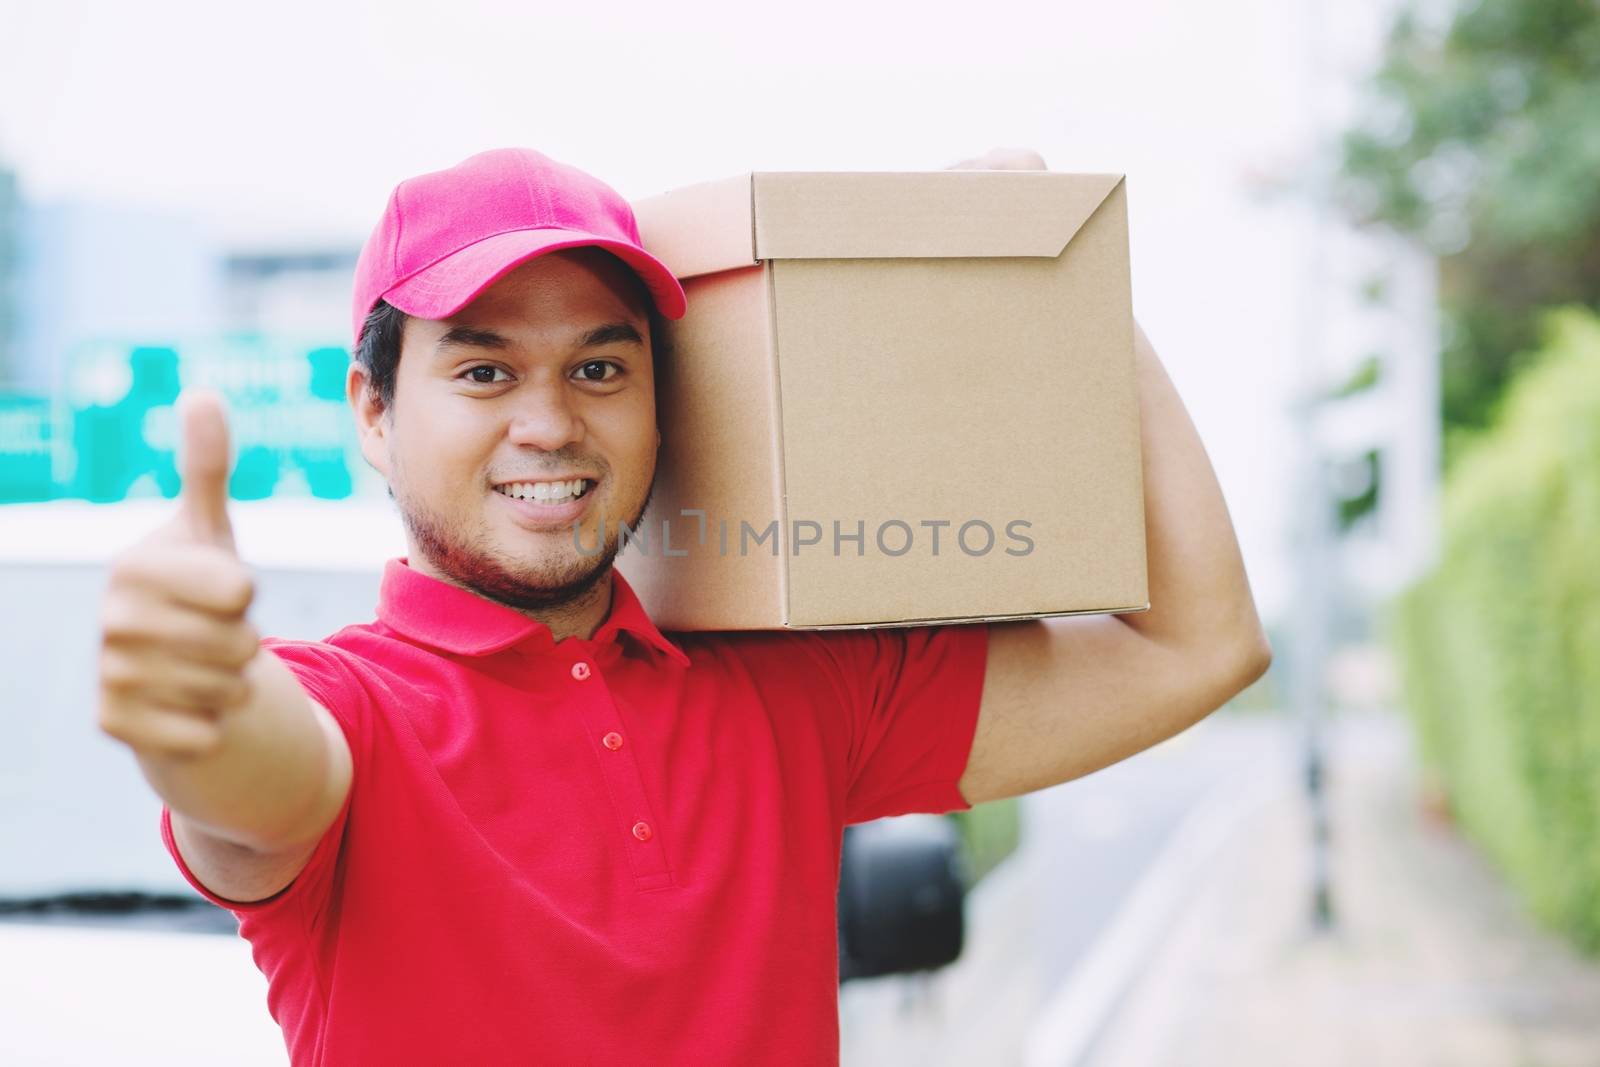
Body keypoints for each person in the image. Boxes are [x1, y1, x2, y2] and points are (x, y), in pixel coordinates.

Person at [96, 146, 1271, 1065]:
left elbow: (1198, 645)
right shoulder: (347, 707)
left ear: (666, 404)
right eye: (484, 368)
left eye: (600, 367)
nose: (549, 423)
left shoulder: (797, 689)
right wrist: (200, 709)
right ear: (372, 410)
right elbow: (262, 783)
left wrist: (1056, 283)